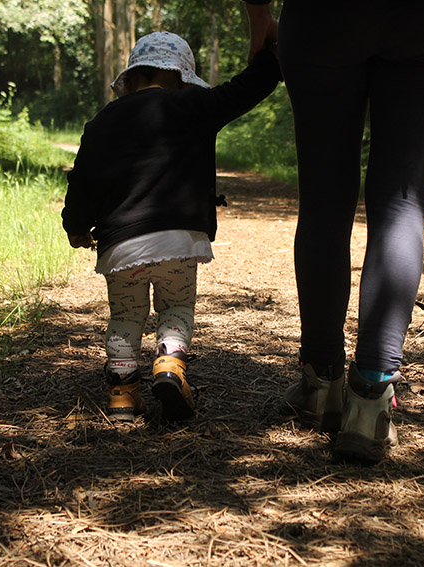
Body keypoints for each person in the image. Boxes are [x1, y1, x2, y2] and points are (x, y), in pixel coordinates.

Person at [243, 0, 424, 461]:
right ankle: (370, 402)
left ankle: (320, 385)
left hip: (323, 19)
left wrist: (260, 18)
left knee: (325, 198)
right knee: (402, 201)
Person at [62, 31, 281, 422]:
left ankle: (123, 395)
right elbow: (249, 88)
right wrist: (271, 54)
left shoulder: (100, 123)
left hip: (121, 246)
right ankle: (169, 367)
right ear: (182, 77)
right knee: (176, 306)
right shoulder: (197, 104)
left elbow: (82, 181)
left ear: (129, 80)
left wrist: (76, 227)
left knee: (125, 316)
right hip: (180, 241)